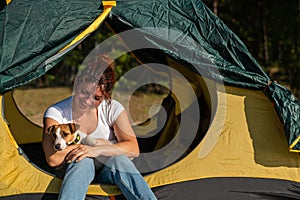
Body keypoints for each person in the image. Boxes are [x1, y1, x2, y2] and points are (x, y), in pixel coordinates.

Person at [42, 55, 157, 200]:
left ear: (105, 96)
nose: (88, 101)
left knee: (120, 161)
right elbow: (53, 158)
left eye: (97, 98)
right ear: (76, 84)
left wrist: (97, 149)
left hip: (107, 171)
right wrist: (86, 149)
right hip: (76, 171)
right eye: (84, 92)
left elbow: (133, 149)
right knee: (82, 160)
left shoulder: (112, 108)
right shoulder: (57, 112)